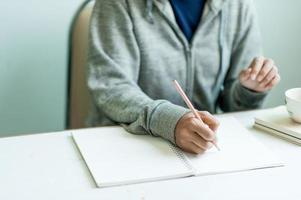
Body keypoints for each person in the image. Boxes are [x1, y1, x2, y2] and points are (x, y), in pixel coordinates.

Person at [87, 0, 280, 154]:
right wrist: (170, 120)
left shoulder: (238, 5)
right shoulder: (117, 3)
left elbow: (232, 105)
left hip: (202, 150)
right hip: (125, 145)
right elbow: (111, 87)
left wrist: (248, 89)